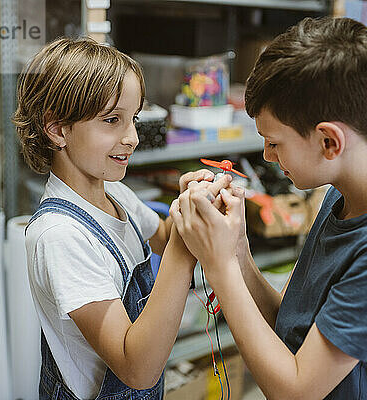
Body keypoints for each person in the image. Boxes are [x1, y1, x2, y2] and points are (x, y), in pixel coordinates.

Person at [171, 17, 367, 399]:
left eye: (275, 143)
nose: (267, 156)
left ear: (329, 142)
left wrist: (220, 266)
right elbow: (293, 328)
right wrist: (236, 249)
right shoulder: (341, 197)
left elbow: (296, 391)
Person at [12, 37, 231, 399]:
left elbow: (161, 234)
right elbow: (137, 369)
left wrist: (191, 204)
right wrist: (181, 246)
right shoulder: (60, 236)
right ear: (57, 129)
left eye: (134, 119)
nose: (131, 137)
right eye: (112, 120)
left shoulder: (116, 194)